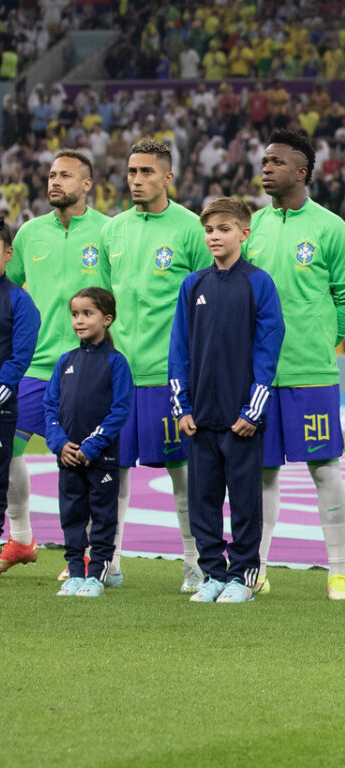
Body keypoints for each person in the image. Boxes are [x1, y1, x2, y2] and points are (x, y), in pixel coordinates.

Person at [246, 128, 345, 600]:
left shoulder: (330, 227)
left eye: (276, 162)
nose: (266, 168)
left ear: (302, 171)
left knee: (324, 468)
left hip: (310, 373)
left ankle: (338, 571)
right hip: (257, 376)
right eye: (264, 161)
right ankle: (256, 566)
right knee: (262, 472)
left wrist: (320, 339)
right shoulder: (250, 226)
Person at [100, 138, 210, 592]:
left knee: (181, 471)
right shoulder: (113, 230)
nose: (137, 180)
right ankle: (110, 560)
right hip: (122, 372)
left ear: (168, 176)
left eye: (147, 172)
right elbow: (106, 302)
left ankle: (193, 561)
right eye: (132, 172)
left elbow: (208, 300)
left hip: (171, 375)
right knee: (113, 471)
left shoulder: (190, 229)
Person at [169, 198, 285, 604]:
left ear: (244, 233)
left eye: (223, 229)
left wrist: (253, 409)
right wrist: (182, 408)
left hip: (241, 418)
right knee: (202, 501)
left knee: (244, 502)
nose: (215, 237)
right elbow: (178, 350)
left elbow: (268, 350)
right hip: (200, 417)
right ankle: (212, 575)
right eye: (210, 230)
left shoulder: (259, 283)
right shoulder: (192, 285)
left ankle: (242, 577)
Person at [0, 151, 109, 577]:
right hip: (33, 366)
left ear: (87, 184)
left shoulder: (107, 231)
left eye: (65, 175)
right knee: (7, 452)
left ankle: (88, 551)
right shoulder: (29, 233)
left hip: (86, 365)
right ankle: (23, 539)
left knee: (84, 460)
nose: (54, 181)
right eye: (50, 175)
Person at [45, 287, 131, 597]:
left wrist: (90, 447)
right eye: (75, 314)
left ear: (107, 319)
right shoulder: (65, 361)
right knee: (72, 516)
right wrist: (60, 444)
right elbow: (50, 407)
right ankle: (75, 572)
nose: (79, 321)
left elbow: (119, 410)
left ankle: (97, 574)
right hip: (68, 458)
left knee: (103, 517)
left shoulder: (116, 363)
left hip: (100, 459)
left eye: (87, 314)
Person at [0, 223, 37, 572]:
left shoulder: (19, 301)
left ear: (8, 254)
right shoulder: (33, 231)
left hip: (2, 405)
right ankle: (20, 539)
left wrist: (4, 384)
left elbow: (20, 352)